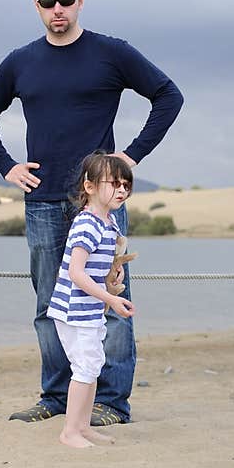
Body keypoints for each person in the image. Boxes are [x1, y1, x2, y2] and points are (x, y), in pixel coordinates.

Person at [0, 0, 183, 426]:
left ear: (80, 0)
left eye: (66, 1)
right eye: (48, 3)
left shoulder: (111, 53)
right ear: (37, 6)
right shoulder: (20, 61)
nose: (58, 10)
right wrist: (6, 166)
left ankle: (110, 403)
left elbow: (168, 96)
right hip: (43, 201)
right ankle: (56, 399)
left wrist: (131, 156)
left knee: (110, 300)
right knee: (51, 304)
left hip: (102, 202)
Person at [47, 152, 135, 448]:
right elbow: (75, 272)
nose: (122, 189)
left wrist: (112, 279)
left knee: (93, 365)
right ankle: (69, 431)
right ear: (90, 186)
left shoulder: (109, 224)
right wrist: (109, 296)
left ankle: (83, 427)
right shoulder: (87, 224)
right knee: (84, 367)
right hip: (73, 309)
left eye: (126, 184)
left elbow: (99, 271)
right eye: (114, 183)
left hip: (91, 308)